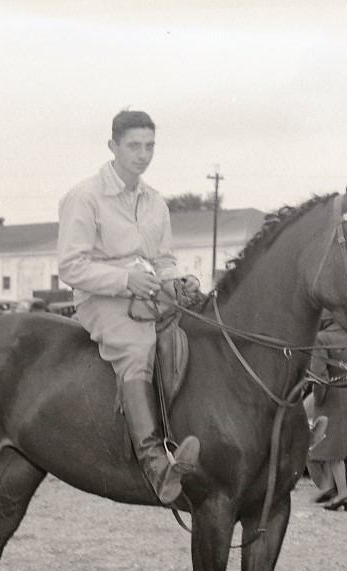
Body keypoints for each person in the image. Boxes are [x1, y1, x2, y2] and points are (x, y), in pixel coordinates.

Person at [56, 109, 200, 505]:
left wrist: (177, 281)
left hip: (150, 292)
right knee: (138, 348)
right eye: (134, 146)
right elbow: (71, 266)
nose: (143, 154)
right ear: (113, 146)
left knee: (200, 332)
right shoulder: (85, 197)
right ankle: (154, 463)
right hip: (101, 299)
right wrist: (124, 280)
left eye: (150, 146)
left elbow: (165, 259)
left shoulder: (156, 202)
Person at [306, 317, 347, 511]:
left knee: (333, 450)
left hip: (332, 395)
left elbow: (319, 375)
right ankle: (328, 487)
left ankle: (343, 494)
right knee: (333, 446)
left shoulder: (321, 338)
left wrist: (319, 399)